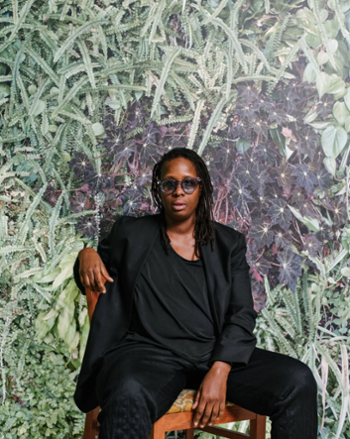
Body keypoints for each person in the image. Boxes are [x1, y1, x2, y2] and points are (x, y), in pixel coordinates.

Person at [73, 147, 318, 439]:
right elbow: (94, 273)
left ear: (202, 188)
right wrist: (85, 254)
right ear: (158, 189)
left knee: (297, 380)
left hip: (212, 353)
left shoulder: (229, 244)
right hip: (147, 355)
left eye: (188, 183)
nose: (179, 191)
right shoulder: (131, 233)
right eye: (170, 183)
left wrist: (220, 368)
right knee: (127, 392)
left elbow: (242, 314)